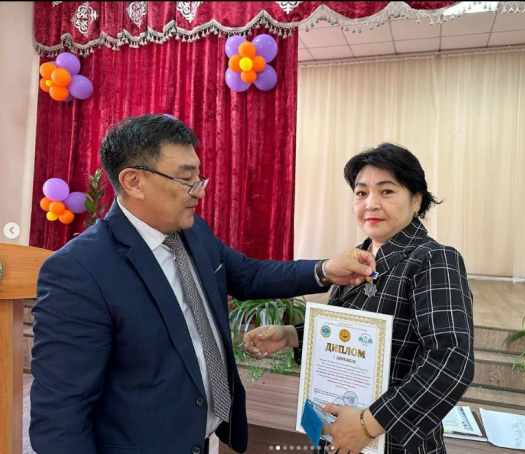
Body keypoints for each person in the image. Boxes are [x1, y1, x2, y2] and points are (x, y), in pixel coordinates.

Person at [29, 114, 376, 454]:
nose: (199, 192)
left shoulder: (193, 231)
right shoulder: (79, 270)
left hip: (200, 437)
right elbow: (59, 412)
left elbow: (249, 275)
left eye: (200, 178)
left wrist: (326, 270)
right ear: (134, 182)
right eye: (186, 179)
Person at [244, 143, 475, 454]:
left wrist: (369, 423)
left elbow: (451, 360)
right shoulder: (358, 257)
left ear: (417, 200)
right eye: (361, 192)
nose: (371, 204)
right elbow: (350, 330)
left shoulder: (433, 260)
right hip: (338, 433)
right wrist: (291, 335)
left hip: (394, 443)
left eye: (387, 191)